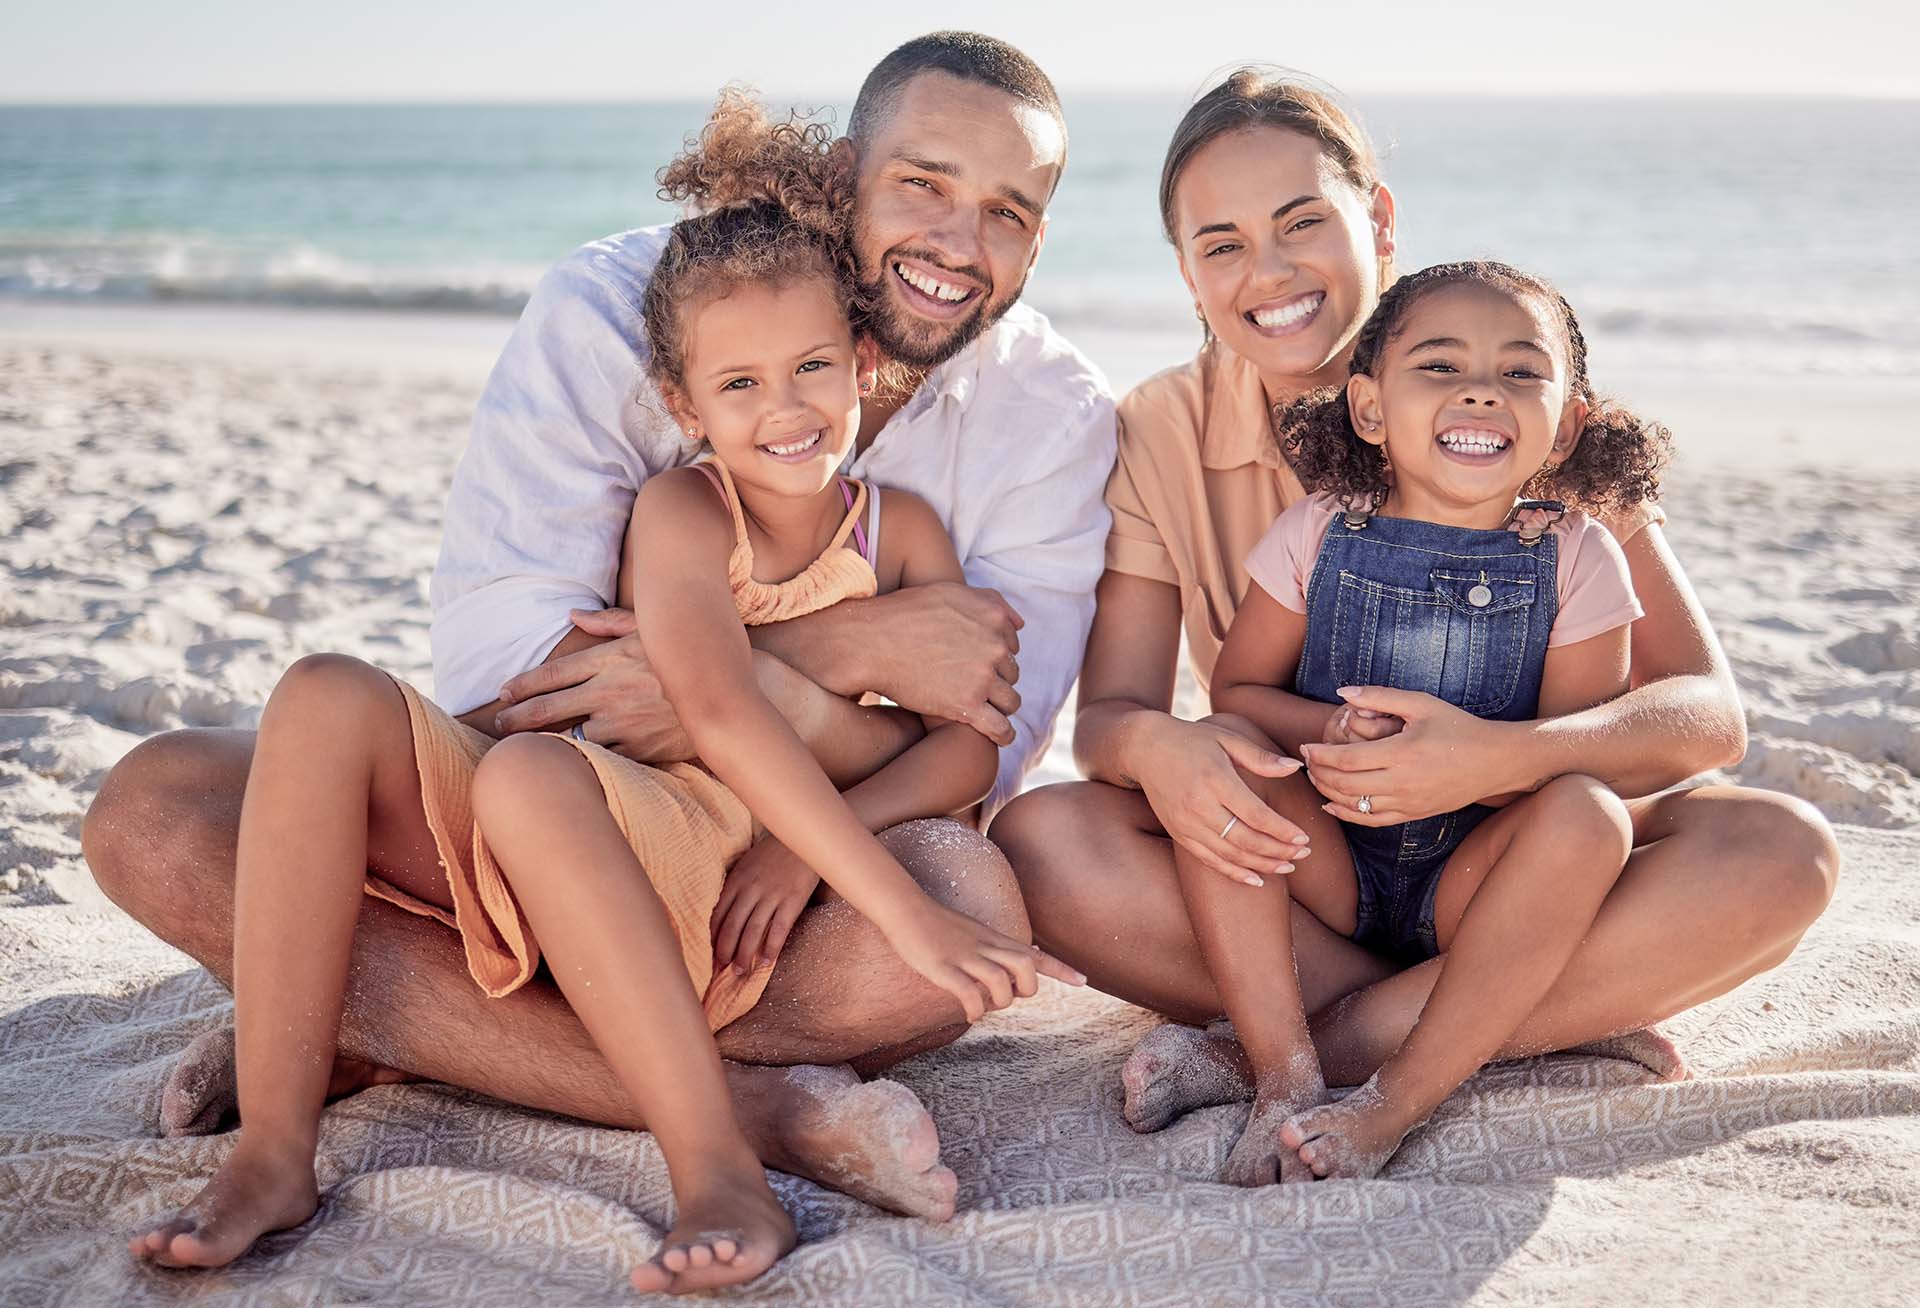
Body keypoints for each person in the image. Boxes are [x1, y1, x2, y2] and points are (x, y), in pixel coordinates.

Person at [84, 32, 1115, 1219]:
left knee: (964, 902)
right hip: (557, 803)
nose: (957, 244)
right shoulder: (625, 311)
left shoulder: (1052, 422)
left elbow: (982, 759)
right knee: (157, 817)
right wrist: (840, 661)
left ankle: (383, 1023)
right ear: (845, 170)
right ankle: (741, 1109)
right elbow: (516, 685)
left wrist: (744, 711)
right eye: (924, 183)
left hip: (783, 873)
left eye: (1009, 213)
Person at [990, 68, 1838, 1138]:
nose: (1270, 270)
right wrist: (1171, 750)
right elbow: (1110, 719)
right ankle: (1530, 1015)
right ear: (1187, 274)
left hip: (1517, 863)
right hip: (1301, 878)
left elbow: (1708, 722)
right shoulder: (1160, 429)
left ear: (1377, 219)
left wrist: (1502, 759)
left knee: (1784, 855)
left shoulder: (1518, 395)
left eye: (1304, 221)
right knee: (1046, 843)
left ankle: (1311, 1050)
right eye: (1222, 244)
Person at [1187, 260, 1665, 1183]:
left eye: (1521, 373)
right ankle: (1283, 1074)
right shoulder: (1317, 531)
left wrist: (1474, 764)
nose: (1483, 390)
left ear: (1566, 427)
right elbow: (1237, 694)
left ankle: (1394, 1101)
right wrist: (1328, 730)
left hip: (1475, 884)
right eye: (1440, 366)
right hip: (1326, 865)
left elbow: (1570, 757)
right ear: (1369, 408)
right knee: (1218, 759)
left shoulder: (1578, 556)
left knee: (1588, 814)